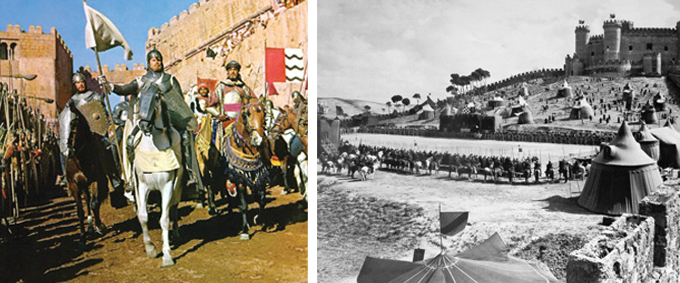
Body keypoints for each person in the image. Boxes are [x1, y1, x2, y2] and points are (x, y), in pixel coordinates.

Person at [100, 49, 202, 194]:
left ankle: (189, 174)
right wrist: (109, 85)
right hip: (146, 121)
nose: (157, 62)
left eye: (159, 59)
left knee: (185, 137)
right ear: (149, 63)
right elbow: (124, 89)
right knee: (129, 141)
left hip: (169, 119)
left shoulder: (170, 80)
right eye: (154, 60)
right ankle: (131, 178)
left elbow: (180, 102)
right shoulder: (141, 81)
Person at [62, 73, 126, 197]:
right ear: (75, 85)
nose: (80, 84)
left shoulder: (95, 97)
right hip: (80, 134)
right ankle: (68, 178)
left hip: (96, 134)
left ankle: (115, 180)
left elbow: (103, 114)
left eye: (82, 82)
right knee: (68, 153)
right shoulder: (72, 101)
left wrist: (103, 128)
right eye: (77, 83)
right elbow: (68, 119)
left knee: (107, 150)